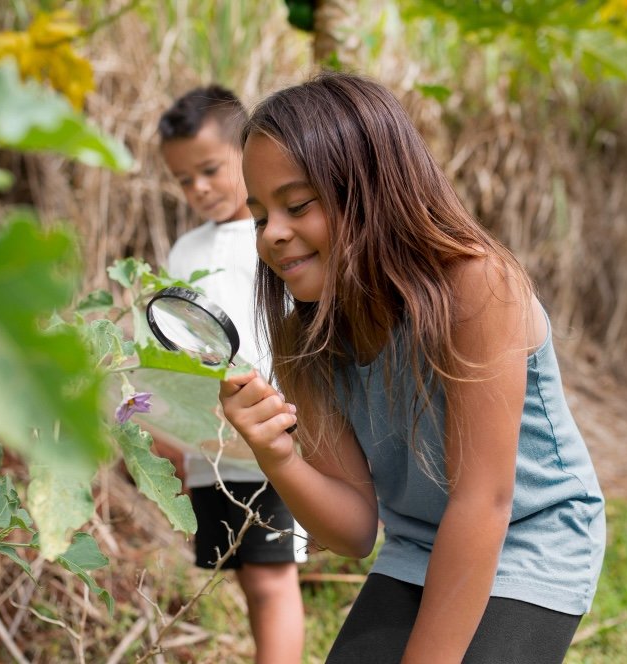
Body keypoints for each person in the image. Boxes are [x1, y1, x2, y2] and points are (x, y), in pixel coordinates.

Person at [219, 72, 606, 664]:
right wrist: (278, 456)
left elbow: (484, 500)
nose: (273, 234)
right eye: (258, 216)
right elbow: (351, 532)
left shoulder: (477, 285)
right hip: (419, 543)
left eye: (296, 205)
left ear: (370, 189)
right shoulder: (305, 329)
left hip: (533, 536)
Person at [157, 84, 305, 664]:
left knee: (272, 579)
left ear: (245, 154)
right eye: (182, 179)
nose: (198, 188)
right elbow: (172, 348)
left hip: (269, 434)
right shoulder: (184, 250)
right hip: (207, 447)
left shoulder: (274, 237)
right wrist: (168, 433)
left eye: (211, 170)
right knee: (244, 575)